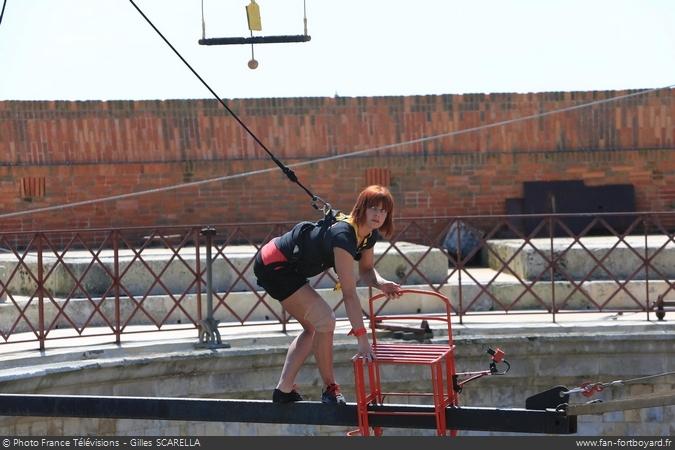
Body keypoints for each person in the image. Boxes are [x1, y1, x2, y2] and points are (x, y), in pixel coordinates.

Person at [254, 184, 403, 405]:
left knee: (314, 326)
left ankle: (283, 390)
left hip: (286, 267)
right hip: (274, 264)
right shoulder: (344, 236)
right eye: (373, 208)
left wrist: (381, 283)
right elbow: (350, 294)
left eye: (383, 211)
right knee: (325, 320)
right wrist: (362, 341)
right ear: (361, 208)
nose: (378, 214)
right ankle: (330, 390)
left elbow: (366, 270)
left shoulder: (367, 236)